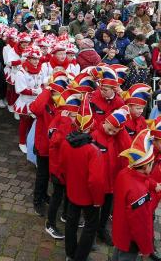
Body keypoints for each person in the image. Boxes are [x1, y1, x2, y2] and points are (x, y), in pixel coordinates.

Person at [60, 95, 106, 261]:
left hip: (72, 192)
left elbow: (62, 167)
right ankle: (80, 257)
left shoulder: (66, 142)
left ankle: (70, 253)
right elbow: (96, 181)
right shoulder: (93, 151)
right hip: (88, 197)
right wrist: (98, 200)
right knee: (90, 226)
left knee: (71, 224)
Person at [112, 129, 160, 261]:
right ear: (146, 167)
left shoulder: (124, 173)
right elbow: (141, 225)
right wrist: (146, 249)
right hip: (130, 239)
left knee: (117, 254)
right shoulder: (140, 193)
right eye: (151, 164)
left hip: (120, 230)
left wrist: (153, 184)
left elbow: (138, 178)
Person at [29, 71, 69, 218]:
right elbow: (34, 109)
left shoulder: (63, 104)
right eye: (54, 92)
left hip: (56, 147)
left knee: (51, 175)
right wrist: (47, 90)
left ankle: (45, 195)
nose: (56, 96)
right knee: (42, 174)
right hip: (44, 146)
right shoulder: (45, 100)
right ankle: (37, 200)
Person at [91, 106, 132, 246]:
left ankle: (101, 229)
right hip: (98, 181)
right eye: (110, 129)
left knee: (107, 208)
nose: (111, 133)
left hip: (111, 182)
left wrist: (121, 132)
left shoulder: (118, 136)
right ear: (106, 122)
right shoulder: (95, 135)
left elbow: (127, 148)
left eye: (115, 131)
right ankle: (91, 231)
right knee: (94, 208)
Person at [46, 89, 82, 240]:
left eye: (76, 115)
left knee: (68, 193)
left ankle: (66, 215)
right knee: (57, 197)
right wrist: (65, 122)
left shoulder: (73, 122)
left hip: (69, 167)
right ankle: (50, 224)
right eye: (72, 115)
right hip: (57, 167)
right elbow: (55, 141)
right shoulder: (58, 122)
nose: (75, 119)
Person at [14, 46, 45, 153]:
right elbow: (20, 89)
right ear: (28, 59)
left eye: (37, 59)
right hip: (25, 101)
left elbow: (41, 84)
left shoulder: (40, 70)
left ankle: (31, 141)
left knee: (34, 123)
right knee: (25, 122)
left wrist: (41, 89)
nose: (36, 61)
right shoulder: (21, 72)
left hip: (36, 101)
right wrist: (35, 91)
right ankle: (22, 142)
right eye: (34, 59)